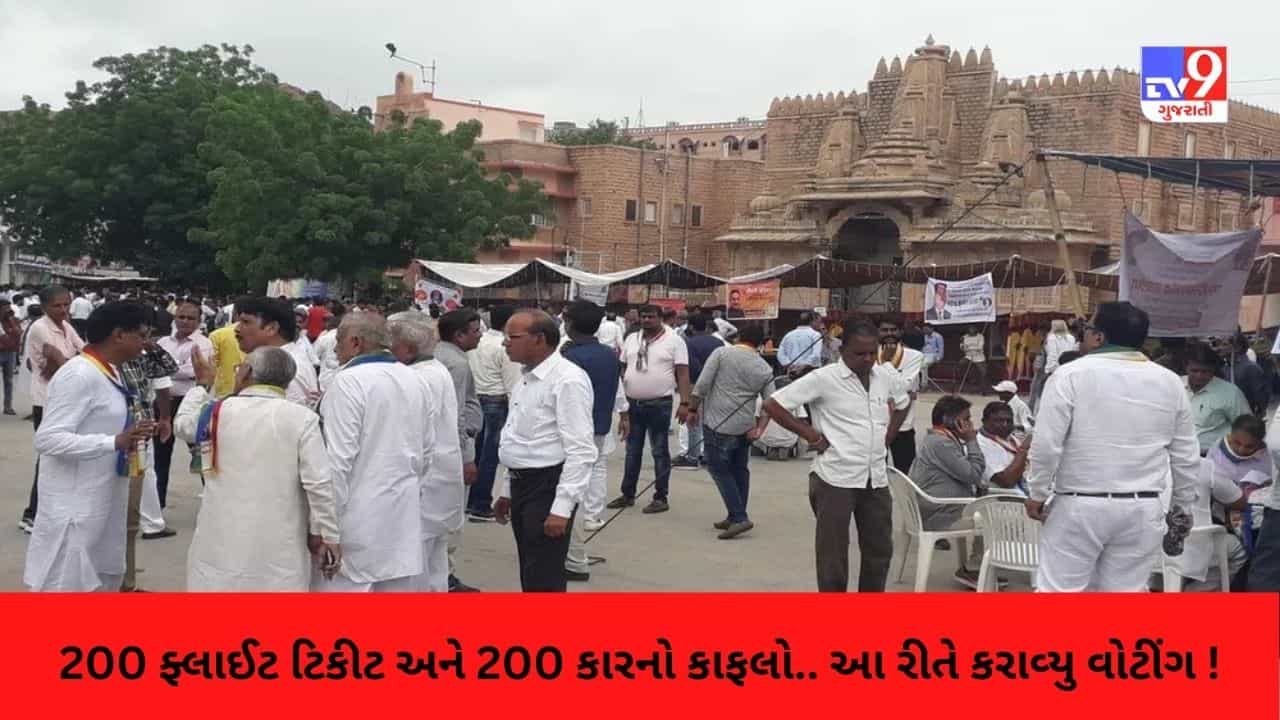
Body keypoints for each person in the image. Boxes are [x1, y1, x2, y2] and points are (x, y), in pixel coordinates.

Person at [1028, 301, 1199, 592]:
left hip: (1080, 505)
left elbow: (1046, 445)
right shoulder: (1170, 382)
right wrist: (1181, 507)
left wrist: (1037, 492)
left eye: (1086, 329)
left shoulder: (1069, 375)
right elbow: (1186, 455)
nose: (1082, 335)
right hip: (1143, 508)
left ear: (1099, 336)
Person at [174, 346, 341, 591]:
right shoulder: (302, 418)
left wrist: (201, 386)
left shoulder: (217, 412)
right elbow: (318, 483)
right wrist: (328, 534)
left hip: (222, 537)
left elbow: (181, 425)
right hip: (279, 539)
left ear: (246, 373)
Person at [763, 321, 909, 592]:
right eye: (859, 353)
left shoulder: (883, 376)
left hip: (875, 478)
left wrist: (888, 436)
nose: (867, 359)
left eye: (872, 352)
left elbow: (903, 402)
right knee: (833, 555)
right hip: (835, 478)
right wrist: (811, 435)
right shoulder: (824, 378)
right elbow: (773, 404)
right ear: (842, 350)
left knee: (879, 550)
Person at [24, 302, 156, 591]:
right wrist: (113, 441)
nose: (145, 344)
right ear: (118, 335)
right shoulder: (79, 374)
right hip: (74, 504)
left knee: (99, 578)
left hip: (102, 496)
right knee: (65, 583)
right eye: (141, 336)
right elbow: (48, 438)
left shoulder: (110, 371)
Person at [314, 313, 429, 592]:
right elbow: (426, 452)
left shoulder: (348, 381)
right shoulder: (415, 378)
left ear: (356, 342)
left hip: (356, 516)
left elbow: (337, 461)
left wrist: (326, 528)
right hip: (402, 514)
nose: (335, 347)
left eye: (339, 339)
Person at [494, 310, 597, 592]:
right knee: (530, 567)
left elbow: (581, 450)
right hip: (522, 483)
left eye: (513, 337)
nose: (505, 343)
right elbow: (519, 436)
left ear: (540, 339)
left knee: (544, 573)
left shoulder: (567, 380)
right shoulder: (525, 378)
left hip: (547, 485)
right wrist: (507, 489)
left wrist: (561, 509)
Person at [387, 312, 465, 593]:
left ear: (408, 349)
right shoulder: (433, 369)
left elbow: (412, 437)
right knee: (434, 565)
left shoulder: (417, 378)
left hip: (426, 483)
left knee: (416, 569)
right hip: (438, 482)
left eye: (390, 344)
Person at [559, 301, 627, 579]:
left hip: (574, 431)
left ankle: (574, 557)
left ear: (570, 324)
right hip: (599, 425)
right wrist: (623, 412)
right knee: (592, 473)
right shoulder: (609, 355)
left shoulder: (570, 358)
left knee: (568, 493)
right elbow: (617, 389)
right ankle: (592, 516)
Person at [690, 323, 774, 539]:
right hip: (745, 427)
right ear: (761, 344)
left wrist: (691, 409)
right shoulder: (765, 368)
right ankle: (734, 514)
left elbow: (701, 385)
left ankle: (739, 517)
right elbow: (770, 403)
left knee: (718, 470)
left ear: (738, 337)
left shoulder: (721, 353)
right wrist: (760, 429)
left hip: (717, 424)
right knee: (739, 470)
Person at [606, 304, 692, 515]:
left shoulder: (674, 341)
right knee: (632, 451)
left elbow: (682, 373)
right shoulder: (631, 339)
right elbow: (622, 368)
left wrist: (685, 403)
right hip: (633, 404)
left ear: (660, 318)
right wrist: (622, 404)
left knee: (659, 451)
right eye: (643, 316)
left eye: (651, 317)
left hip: (660, 404)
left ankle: (660, 497)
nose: (646, 320)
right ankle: (628, 494)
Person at [117, 321, 180, 592]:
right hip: (121, 438)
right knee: (120, 513)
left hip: (141, 432)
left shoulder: (144, 356)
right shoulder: (110, 363)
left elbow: (168, 373)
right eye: (140, 336)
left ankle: (127, 583)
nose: (144, 341)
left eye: (147, 336)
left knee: (138, 493)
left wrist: (153, 348)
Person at [910, 395, 996, 588]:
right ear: (951, 421)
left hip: (935, 508)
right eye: (966, 419)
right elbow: (973, 474)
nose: (970, 424)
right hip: (940, 514)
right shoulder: (942, 443)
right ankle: (973, 567)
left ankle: (975, 565)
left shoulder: (938, 438)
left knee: (986, 501)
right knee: (991, 515)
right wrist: (972, 441)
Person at [20, 285, 84, 533]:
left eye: (66, 304)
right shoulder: (40, 328)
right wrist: (62, 361)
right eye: (57, 305)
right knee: (48, 458)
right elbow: (55, 369)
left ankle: (54, 511)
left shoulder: (66, 326)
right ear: (45, 306)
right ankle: (32, 513)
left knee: (66, 457)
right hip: (46, 400)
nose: (63, 309)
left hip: (65, 397)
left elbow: (83, 354)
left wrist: (62, 360)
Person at [435, 308, 484, 592]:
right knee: (452, 517)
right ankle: (446, 577)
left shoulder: (441, 356)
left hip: (447, 446)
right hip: (455, 447)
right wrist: (466, 457)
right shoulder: (455, 364)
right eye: (475, 331)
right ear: (459, 335)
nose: (480, 336)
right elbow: (454, 413)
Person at [155, 299, 214, 510]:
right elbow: (155, 368)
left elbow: (193, 372)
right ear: (175, 318)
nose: (185, 321)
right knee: (160, 456)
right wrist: (175, 368)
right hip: (164, 401)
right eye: (181, 317)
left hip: (191, 403)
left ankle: (213, 502)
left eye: (191, 318)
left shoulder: (203, 344)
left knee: (201, 454)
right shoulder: (164, 342)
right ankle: (157, 505)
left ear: (199, 321)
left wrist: (165, 367)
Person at [467, 305, 521, 522]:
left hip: (476, 398)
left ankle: (469, 500)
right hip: (495, 402)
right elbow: (512, 383)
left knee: (474, 454)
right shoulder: (503, 347)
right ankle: (480, 504)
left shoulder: (478, 341)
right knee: (490, 457)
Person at [235, 298, 319, 408]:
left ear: (272, 328)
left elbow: (285, 416)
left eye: (246, 322)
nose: (237, 328)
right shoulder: (277, 362)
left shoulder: (288, 370)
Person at [674, 313, 725, 469]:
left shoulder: (688, 343)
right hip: (716, 386)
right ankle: (709, 456)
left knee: (694, 421)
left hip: (696, 385)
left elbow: (692, 369)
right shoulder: (718, 342)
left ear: (690, 326)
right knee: (711, 423)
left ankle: (692, 456)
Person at [1184, 342, 1251, 456]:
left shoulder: (1230, 392)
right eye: (1194, 371)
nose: (1199, 376)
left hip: (1214, 456)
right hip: (1178, 455)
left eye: (1205, 371)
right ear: (1186, 367)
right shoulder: (1175, 386)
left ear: (1213, 369)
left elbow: (1246, 427)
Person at [877, 316, 923, 474]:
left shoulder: (914, 356)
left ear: (900, 332)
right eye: (884, 330)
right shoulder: (869, 354)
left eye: (893, 330)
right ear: (877, 332)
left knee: (906, 474)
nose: (889, 333)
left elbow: (905, 387)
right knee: (875, 473)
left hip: (904, 424)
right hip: (876, 424)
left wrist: (886, 363)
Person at [976, 401, 1030, 496]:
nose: (1005, 424)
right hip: (1002, 498)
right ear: (984, 421)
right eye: (998, 421)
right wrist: (1024, 449)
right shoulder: (980, 443)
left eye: (1009, 421)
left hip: (1024, 490)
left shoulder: (1011, 439)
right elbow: (1007, 481)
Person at [1222, 333, 1271, 417]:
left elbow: (1260, 395)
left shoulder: (1250, 368)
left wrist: (1260, 412)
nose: (1221, 348)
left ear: (1238, 347)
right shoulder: (1225, 368)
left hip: (1246, 416)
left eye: (1224, 344)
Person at [207, 309, 245, 400]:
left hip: (224, 394)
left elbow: (210, 367)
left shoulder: (218, 335)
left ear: (235, 315)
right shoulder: (268, 335)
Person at [776, 311, 824, 376]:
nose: (819, 324)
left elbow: (780, 354)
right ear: (811, 321)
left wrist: (790, 365)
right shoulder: (815, 335)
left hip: (792, 371)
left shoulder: (788, 335)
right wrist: (803, 366)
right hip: (810, 371)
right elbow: (816, 355)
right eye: (818, 322)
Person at [0, 298, 21, 415]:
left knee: (9, 380)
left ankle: (8, 406)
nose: (8, 310)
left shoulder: (13, 319)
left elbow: (18, 334)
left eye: (9, 307)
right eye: (5, 308)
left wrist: (11, 320)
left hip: (10, 353)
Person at [314, 314, 342, 392]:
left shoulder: (324, 338)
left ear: (328, 324)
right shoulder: (344, 337)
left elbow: (314, 358)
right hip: (340, 376)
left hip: (324, 378)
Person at [960, 326, 986, 394]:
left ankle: (983, 389)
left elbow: (980, 348)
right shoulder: (964, 337)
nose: (971, 330)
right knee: (961, 364)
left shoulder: (980, 336)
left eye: (973, 329)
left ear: (976, 329)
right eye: (970, 329)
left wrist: (968, 348)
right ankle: (970, 381)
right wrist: (962, 344)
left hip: (979, 357)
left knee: (983, 372)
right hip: (968, 356)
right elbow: (962, 348)